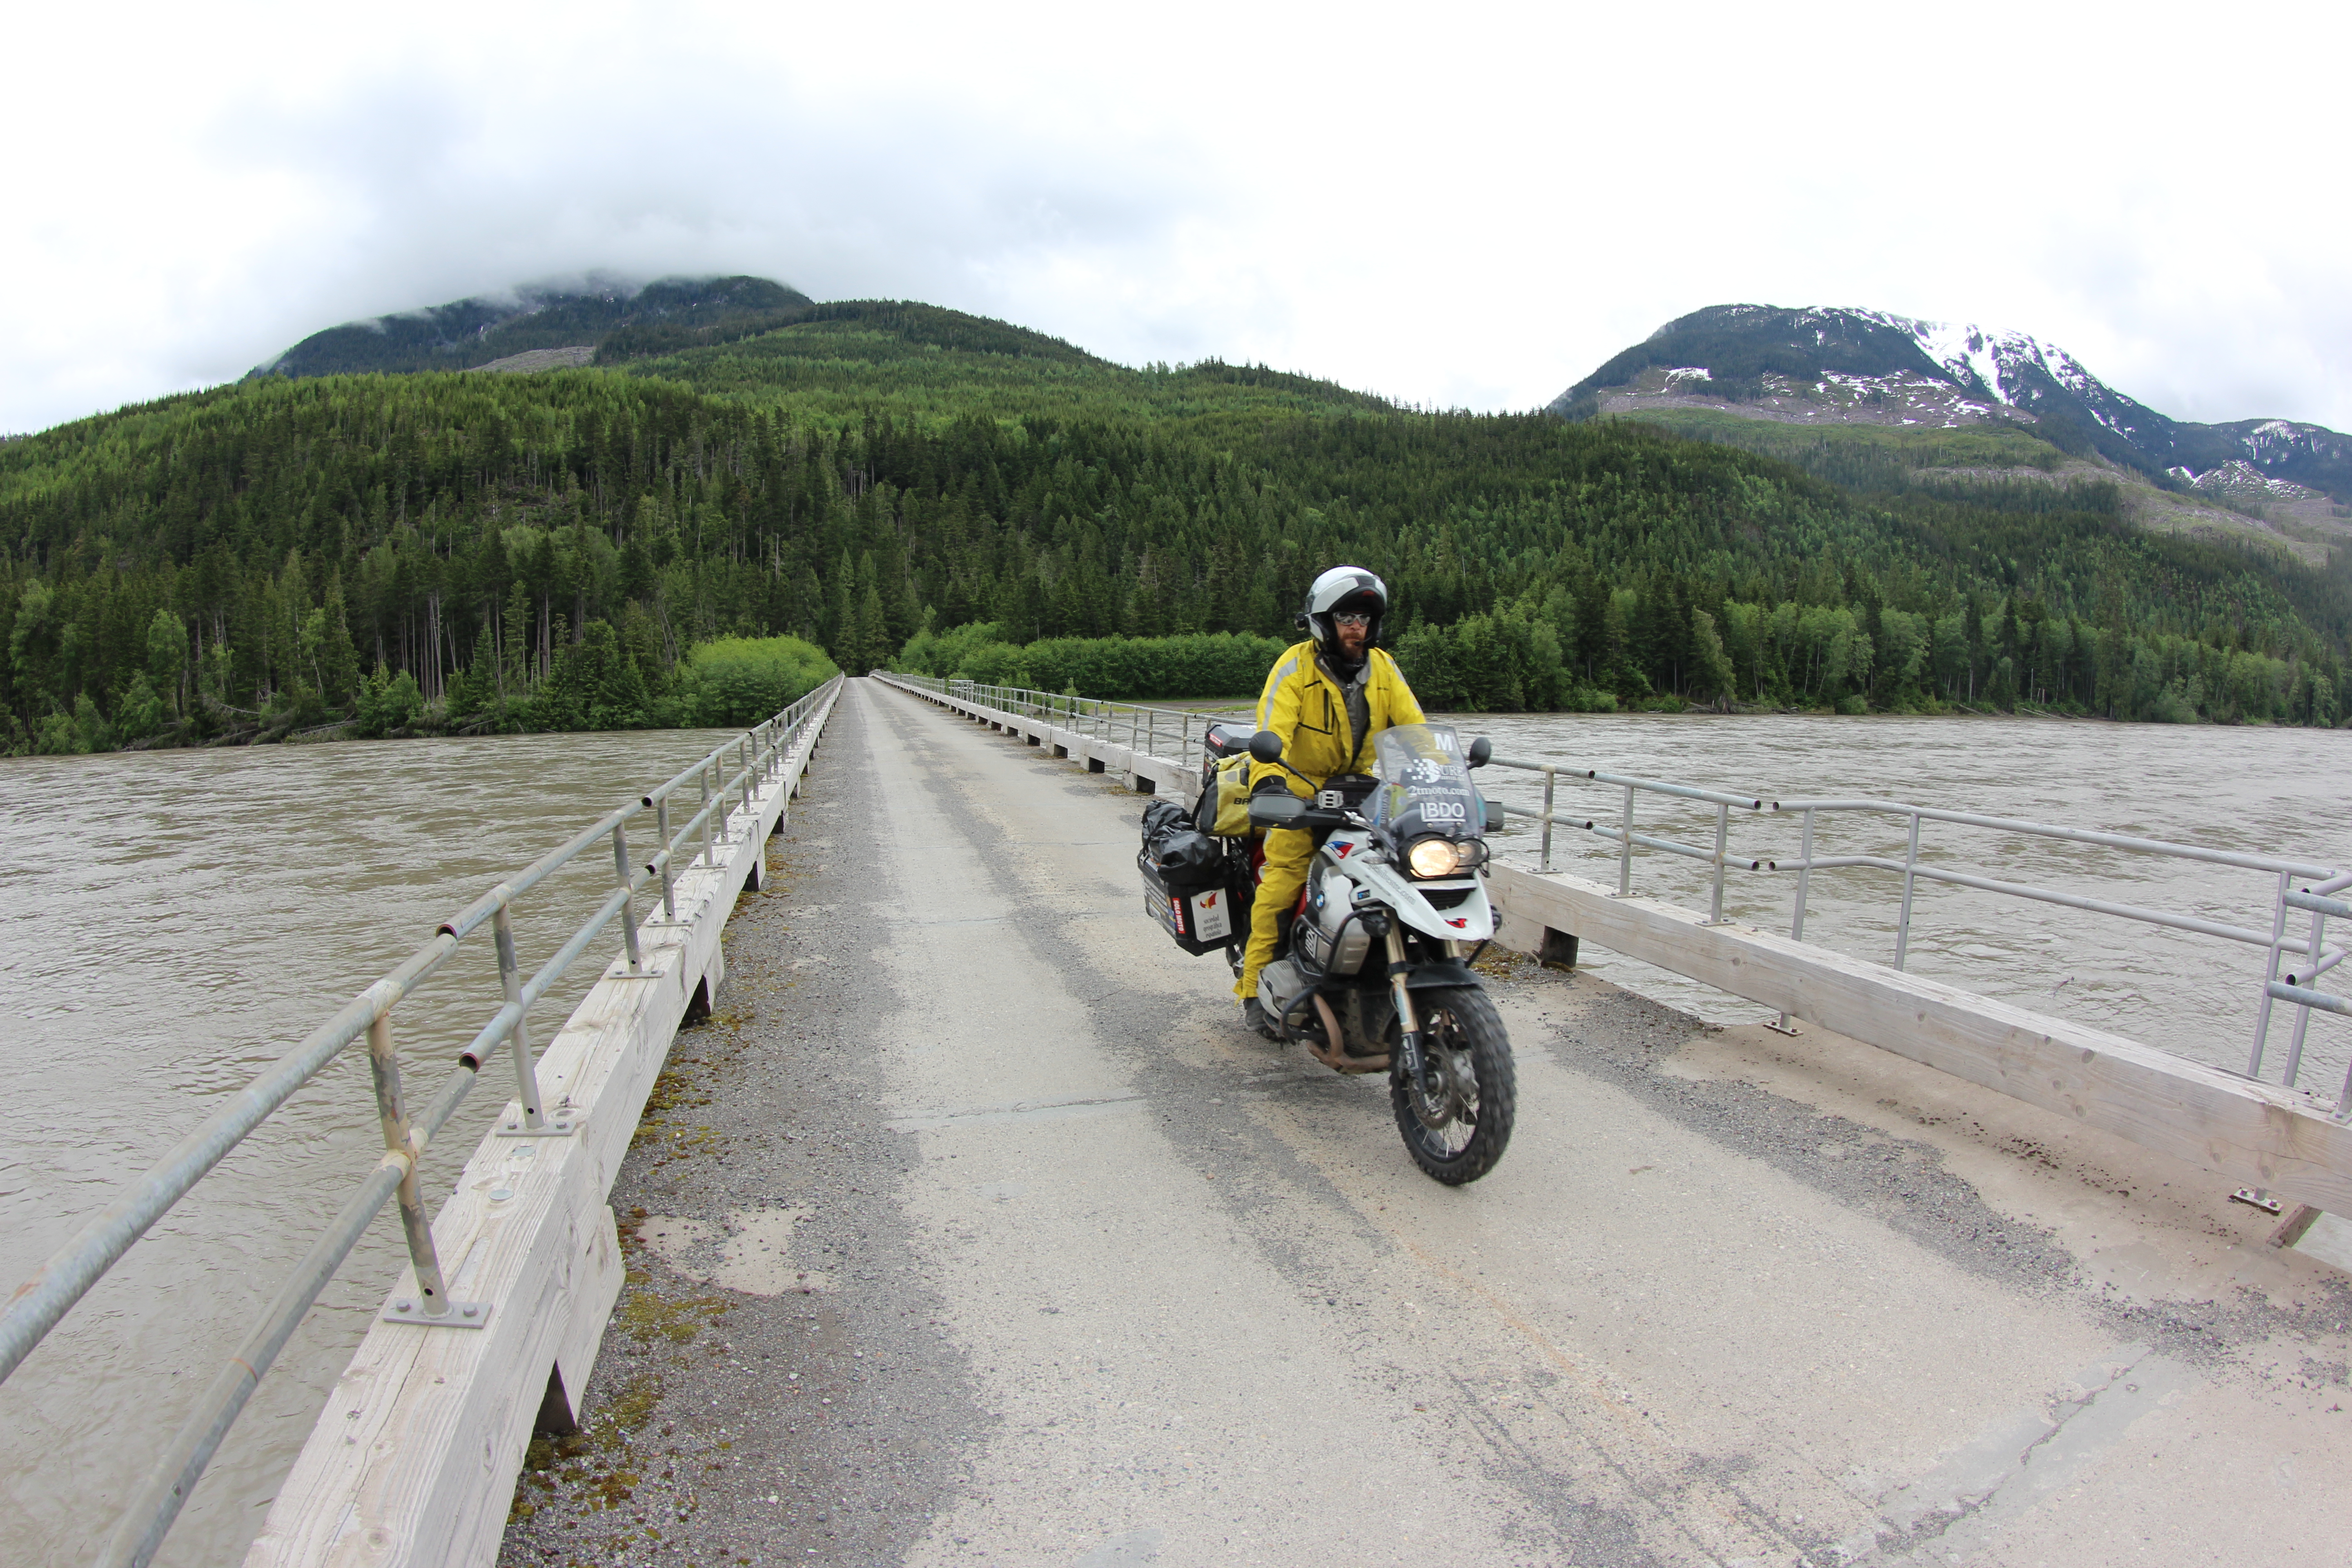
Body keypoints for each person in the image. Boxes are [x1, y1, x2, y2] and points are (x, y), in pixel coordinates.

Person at [1237, 565, 1425, 1037]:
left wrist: (1433, 780)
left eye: (1364, 617)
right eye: (1346, 616)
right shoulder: (1294, 666)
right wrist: (1270, 784)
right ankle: (1254, 991)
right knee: (1281, 886)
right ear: (1323, 620)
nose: (1356, 626)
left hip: (1361, 792)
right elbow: (1270, 733)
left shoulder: (1383, 668)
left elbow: (1414, 732)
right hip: (1299, 794)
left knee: (1400, 875)